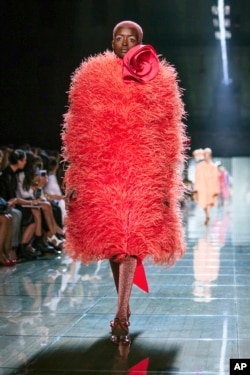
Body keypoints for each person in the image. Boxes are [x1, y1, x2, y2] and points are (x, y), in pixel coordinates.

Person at [62, 20, 187, 344]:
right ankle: (125, 305)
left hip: (142, 171)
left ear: (141, 42)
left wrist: (165, 182)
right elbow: (77, 130)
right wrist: (75, 175)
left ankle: (120, 313)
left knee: (131, 240)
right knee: (113, 245)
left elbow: (169, 133)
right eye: (119, 37)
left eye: (132, 38)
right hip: (102, 171)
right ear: (112, 40)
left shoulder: (161, 79)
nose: (125, 42)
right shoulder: (91, 76)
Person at [193, 147, 220, 225]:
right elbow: (197, 177)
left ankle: (207, 215)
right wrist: (196, 188)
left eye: (208, 154)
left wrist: (216, 189)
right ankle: (207, 214)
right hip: (202, 186)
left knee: (209, 201)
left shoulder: (213, 166)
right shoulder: (199, 166)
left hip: (211, 186)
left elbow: (216, 178)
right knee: (203, 201)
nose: (207, 156)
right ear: (204, 155)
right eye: (205, 154)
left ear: (210, 155)